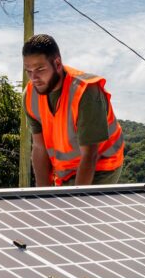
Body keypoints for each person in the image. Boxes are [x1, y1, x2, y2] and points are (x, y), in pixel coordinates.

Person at [23, 34, 124, 186]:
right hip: (65, 170)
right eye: (29, 71)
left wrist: (76, 202)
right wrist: (42, 197)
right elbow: (39, 148)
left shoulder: (86, 92)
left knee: (78, 208)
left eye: (40, 69)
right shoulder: (30, 95)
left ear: (57, 63)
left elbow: (90, 155)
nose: (34, 77)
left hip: (101, 166)